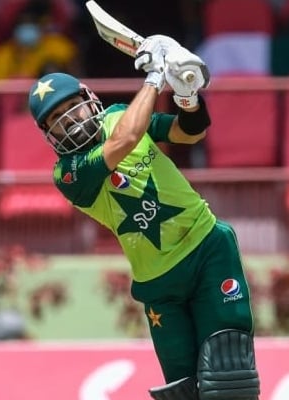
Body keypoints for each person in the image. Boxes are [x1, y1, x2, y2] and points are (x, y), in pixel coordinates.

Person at [27, 35, 261, 399]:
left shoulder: (120, 114)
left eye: (72, 106)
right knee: (183, 391)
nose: (69, 120)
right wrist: (155, 77)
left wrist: (186, 94)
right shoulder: (68, 174)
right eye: (56, 118)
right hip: (159, 283)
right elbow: (124, 140)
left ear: (90, 100)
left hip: (206, 250)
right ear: (48, 133)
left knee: (228, 377)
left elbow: (189, 132)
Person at [0, 9, 81, 80]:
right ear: (15, 29)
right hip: (18, 102)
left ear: (40, 26)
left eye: (31, 23)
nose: (27, 28)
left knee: (50, 68)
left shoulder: (58, 45)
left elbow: (77, 74)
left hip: (55, 94)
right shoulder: (4, 53)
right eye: (23, 24)